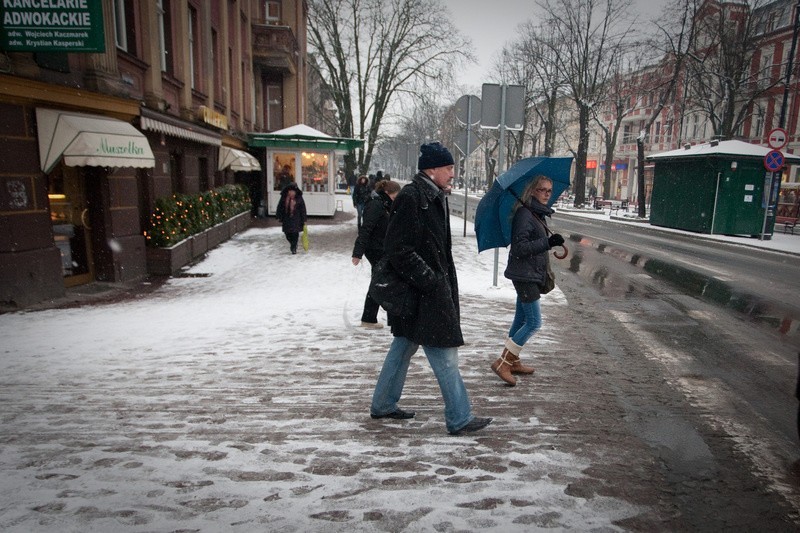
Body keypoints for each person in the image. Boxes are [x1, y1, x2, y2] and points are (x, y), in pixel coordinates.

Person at [370, 142, 492, 436]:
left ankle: (383, 403)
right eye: (449, 168)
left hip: (423, 292)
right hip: (423, 294)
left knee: (403, 348)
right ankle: (459, 417)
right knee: (444, 354)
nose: (453, 173)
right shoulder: (413, 197)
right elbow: (398, 249)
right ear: (432, 169)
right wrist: (431, 280)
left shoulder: (432, 196)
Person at [491, 175, 564, 386]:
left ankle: (513, 361)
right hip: (525, 275)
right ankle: (503, 362)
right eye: (542, 190)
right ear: (532, 191)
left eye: (549, 191)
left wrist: (547, 241)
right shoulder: (525, 213)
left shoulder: (535, 213)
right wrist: (547, 242)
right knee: (533, 322)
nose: (547, 194)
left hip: (529, 273)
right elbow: (520, 248)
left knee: (521, 320)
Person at [352, 180, 402, 329]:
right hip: (376, 249)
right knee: (382, 282)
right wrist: (357, 252)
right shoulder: (376, 204)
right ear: (387, 193)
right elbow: (366, 229)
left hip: (381, 248)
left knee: (380, 281)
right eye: (395, 196)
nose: (396, 199)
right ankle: (373, 318)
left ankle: (370, 318)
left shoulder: (384, 204)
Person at [275, 182, 307, 254]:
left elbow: (303, 209)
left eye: (293, 191)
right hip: (287, 218)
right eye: (290, 191)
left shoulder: (299, 197)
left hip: (296, 218)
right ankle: (293, 244)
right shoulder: (284, 197)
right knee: (287, 234)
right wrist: (278, 215)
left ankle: (293, 247)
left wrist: (304, 219)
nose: (292, 193)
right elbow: (280, 206)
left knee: (295, 233)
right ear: (288, 191)